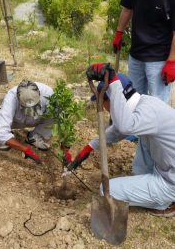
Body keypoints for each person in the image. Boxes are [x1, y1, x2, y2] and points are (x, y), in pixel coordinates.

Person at [68, 63, 175, 216]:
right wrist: (89, 147)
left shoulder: (147, 112)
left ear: (111, 99)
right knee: (141, 157)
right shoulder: (146, 105)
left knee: (107, 189)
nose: (103, 107)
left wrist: (113, 82)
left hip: (171, 180)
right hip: (168, 167)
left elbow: (123, 127)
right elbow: (117, 131)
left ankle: (164, 203)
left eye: (102, 102)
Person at [112, 0, 175, 103]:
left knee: (156, 103)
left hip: (159, 59)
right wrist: (119, 33)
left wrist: (172, 62)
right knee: (134, 99)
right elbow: (127, 9)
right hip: (136, 54)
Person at [0, 80, 55, 164]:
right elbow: (2, 134)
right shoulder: (11, 97)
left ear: (39, 94)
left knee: (56, 112)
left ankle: (34, 136)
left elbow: (61, 118)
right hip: (17, 122)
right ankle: (9, 137)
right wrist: (26, 149)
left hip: (38, 119)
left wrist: (66, 146)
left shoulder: (48, 93)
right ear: (18, 99)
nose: (31, 112)